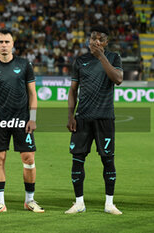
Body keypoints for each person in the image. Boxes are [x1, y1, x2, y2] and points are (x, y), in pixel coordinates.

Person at [0, 29, 44, 213]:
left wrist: (32, 118)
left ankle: (29, 200)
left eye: (7, 42)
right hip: (0, 121)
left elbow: (33, 94)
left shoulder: (24, 65)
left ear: (13, 44)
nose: (4, 45)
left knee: (28, 158)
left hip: (23, 120)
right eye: (0, 42)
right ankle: (0, 202)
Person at [66, 25, 123, 215]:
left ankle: (109, 204)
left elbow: (118, 79)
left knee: (108, 160)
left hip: (105, 118)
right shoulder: (80, 60)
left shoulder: (114, 57)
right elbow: (73, 90)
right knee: (77, 160)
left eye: (100, 39)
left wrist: (101, 57)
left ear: (106, 42)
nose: (95, 41)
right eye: (92, 38)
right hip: (82, 118)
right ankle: (79, 203)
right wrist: (70, 115)